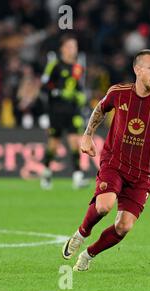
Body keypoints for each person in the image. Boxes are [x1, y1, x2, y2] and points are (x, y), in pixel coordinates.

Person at [61, 49, 150, 271]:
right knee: (104, 207)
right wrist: (88, 135)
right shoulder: (119, 93)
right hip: (114, 163)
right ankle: (81, 233)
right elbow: (100, 109)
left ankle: (89, 255)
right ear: (137, 70)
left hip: (143, 173)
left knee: (124, 227)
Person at [40, 34, 89, 190]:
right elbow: (45, 86)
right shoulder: (54, 65)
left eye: (74, 47)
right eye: (69, 46)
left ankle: (77, 176)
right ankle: (47, 172)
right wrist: (57, 92)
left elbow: (79, 87)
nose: (72, 50)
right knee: (53, 144)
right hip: (56, 110)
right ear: (62, 49)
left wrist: (81, 96)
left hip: (73, 110)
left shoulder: (78, 67)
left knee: (75, 142)